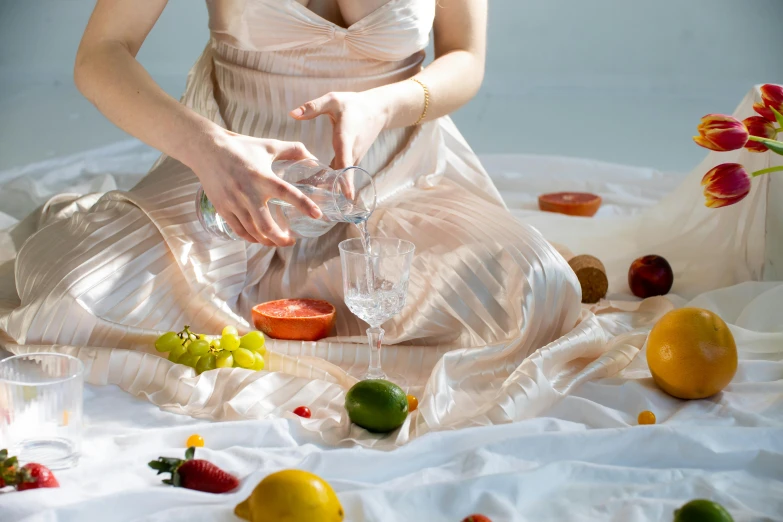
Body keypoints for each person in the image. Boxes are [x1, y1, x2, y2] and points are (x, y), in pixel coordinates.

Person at [1, 0, 584, 426]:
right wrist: (207, 148)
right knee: (67, 294)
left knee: (537, 288)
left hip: (395, 180)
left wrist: (385, 104)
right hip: (226, 175)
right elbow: (101, 54)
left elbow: (465, 58)